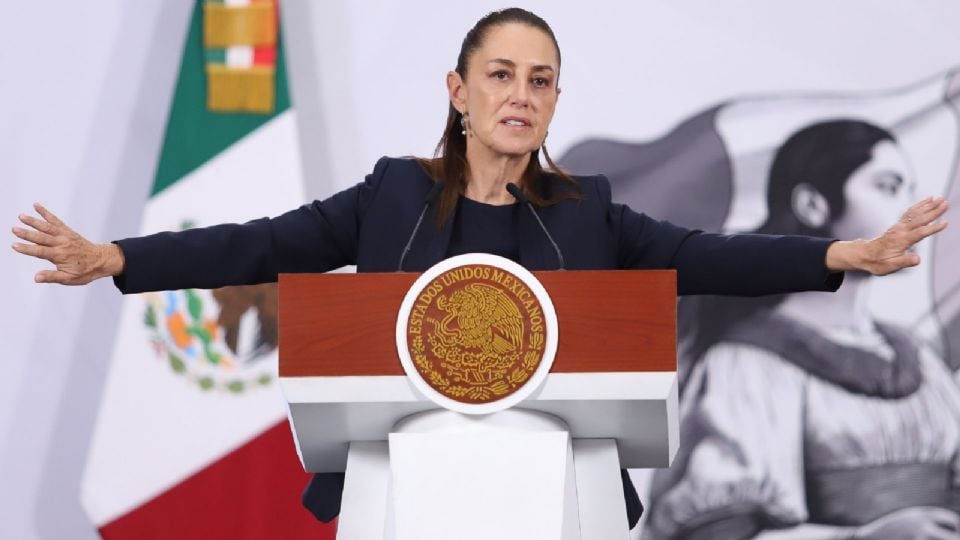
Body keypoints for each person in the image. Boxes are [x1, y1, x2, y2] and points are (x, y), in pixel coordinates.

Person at [10, 8, 949, 531]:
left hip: (563, 500)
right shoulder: (391, 195)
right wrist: (119, 257)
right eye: (501, 75)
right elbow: (259, 244)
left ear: (556, 101)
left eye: (541, 80)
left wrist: (840, 254)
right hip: (399, 493)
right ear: (459, 92)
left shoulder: (589, 210)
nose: (521, 95)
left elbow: (707, 256)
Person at [643, 120, 960, 539]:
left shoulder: (917, 357)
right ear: (813, 205)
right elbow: (717, 530)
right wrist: (866, 538)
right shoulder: (749, 364)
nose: (913, 209)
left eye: (910, 189)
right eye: (888, 187)